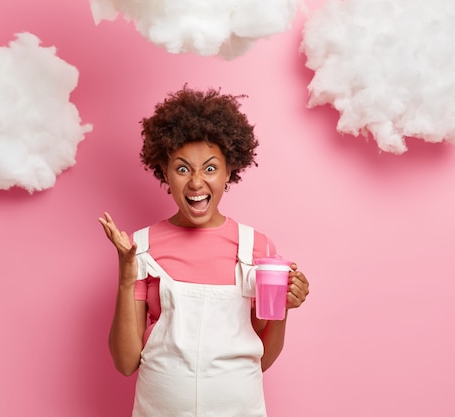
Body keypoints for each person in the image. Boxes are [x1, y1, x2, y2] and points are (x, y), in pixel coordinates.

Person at [98, 85, 309, 417]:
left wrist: (284, 307)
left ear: (229, 172)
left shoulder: (257, 248)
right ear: (164, 173)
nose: (196, 182)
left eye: (210, 168)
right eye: (182, 169)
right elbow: (126, 363)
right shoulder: (140, 247)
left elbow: (262, 358)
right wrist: (127, 277)